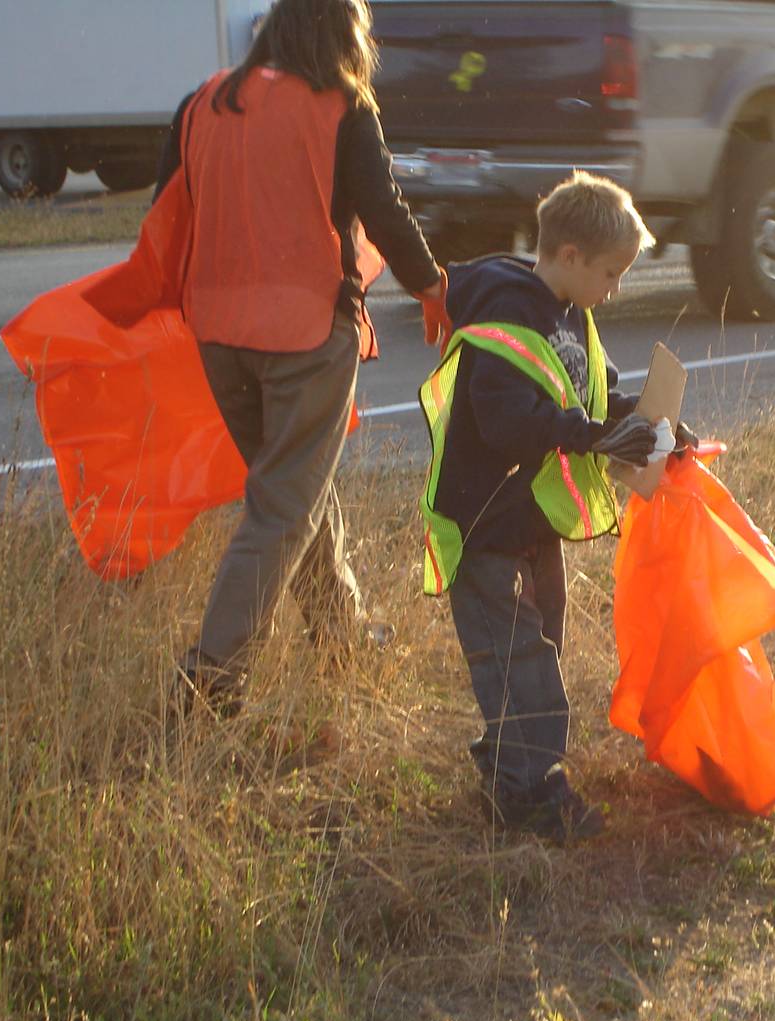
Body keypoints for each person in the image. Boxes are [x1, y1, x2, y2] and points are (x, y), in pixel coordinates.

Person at [154, 0, 451, 717]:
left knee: (296, 488)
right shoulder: (342, 105)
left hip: (219, 335)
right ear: (344, 32)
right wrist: (432, 285)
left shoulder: (205, 100)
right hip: (306, 335)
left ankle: (340, 633)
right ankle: (208, 682)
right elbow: (383, 210)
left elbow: (168, 209)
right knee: (280, 507)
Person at [416, 171, 690, 841]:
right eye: (610, 273)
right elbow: (511, 420)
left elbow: (592, 396)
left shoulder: (573, 312)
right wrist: (594, 435)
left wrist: (651, 423)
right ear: (569, 257)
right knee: (520, 659)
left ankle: (505, 762)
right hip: (482, 524)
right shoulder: (504, 315)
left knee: (543, 640)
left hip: (529, 521)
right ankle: (530, 796)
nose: (614, 288)